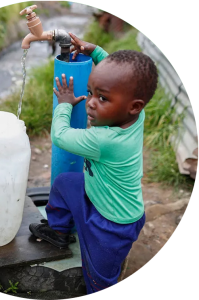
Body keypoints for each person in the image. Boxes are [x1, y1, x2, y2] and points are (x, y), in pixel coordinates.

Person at [29, 32, 158, 294]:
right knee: (66, 183)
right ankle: (59, 231)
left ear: (133, 106)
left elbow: (60, 136)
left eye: (102, 98)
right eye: (90, 92)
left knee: (98, 280)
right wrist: (95, 51)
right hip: (95, 195)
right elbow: (120, 79)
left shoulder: (105, 139)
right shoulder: (136, 114)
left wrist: (63, 105)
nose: (89, 103)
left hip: (112, 226)